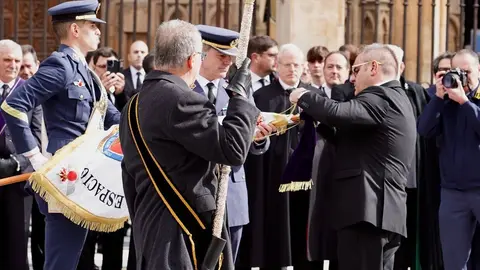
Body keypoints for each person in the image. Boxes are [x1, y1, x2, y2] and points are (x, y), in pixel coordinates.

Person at [119, 19, 260, 270]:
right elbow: (234, 150)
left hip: (149, 223)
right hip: (183, 234)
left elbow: (128, 176)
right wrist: (240, 96)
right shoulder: (183, 99)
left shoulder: (133, 104)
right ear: (192, 60)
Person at [1, 1, 120, 269]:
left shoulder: (86, 72)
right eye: (93, 26)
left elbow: (113, 117)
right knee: (61, 260)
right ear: (75, 29)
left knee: (70, 258)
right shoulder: (61, 65)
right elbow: (13, 105)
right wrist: (35, 156)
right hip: (66, 175)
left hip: (85, 173)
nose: (99, 31)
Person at [290, 43, 417, 270]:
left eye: (356, 70)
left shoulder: (381, 96)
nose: (351, 78)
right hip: (377, 214)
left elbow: (339, 113)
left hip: (368, 214)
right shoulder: (394, 97)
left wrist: (304, 95)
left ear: (374, 68)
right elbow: (352, 137)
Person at [192, 24, 274, 262]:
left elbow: (253, 133)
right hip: (199, 190)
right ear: (202, 53)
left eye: (231, 57)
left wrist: (258, 138)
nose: (228, 62)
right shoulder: (184, 89)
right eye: (221, 55)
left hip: (233, 192)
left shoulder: (238, 89)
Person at [237, 43, 321, 270]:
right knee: (274, 232)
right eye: (287, 64)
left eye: (296, 64)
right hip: (272, 174)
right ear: (277, 66)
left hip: (307, 178)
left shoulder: (315, 95)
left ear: (303, 66)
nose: (292, 69)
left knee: (304, 232)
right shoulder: (262, 96)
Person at [417, 49, 480, 270]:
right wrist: (437, 98)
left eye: (467, 72)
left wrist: (465, 102)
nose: (462, 77)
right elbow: (424, 129)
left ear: (479, 70)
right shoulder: (445, 99)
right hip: (453, 192)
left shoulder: (467, 100)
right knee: (454, 262)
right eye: (457, 71)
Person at [0, 39, 42, 270]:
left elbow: (37, 137)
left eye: (17, 60)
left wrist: (16, 162)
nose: (13, 65)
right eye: (7, 60)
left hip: (17, 179)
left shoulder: (29, 93)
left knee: (16, 246)